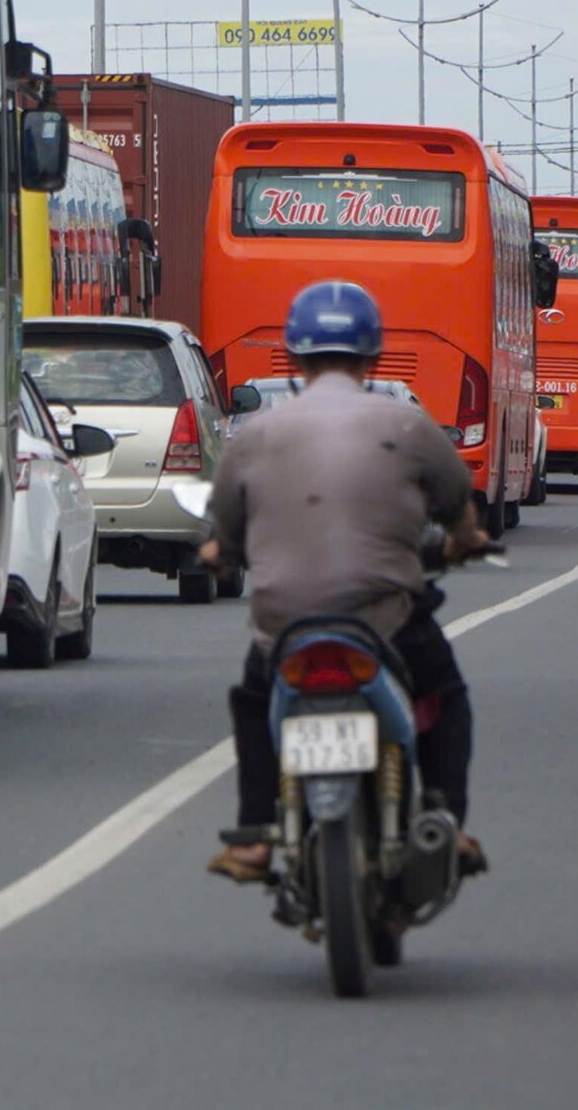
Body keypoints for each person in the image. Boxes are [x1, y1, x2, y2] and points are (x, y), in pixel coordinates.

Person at [199, 280, 491, 885]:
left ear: (294, 355)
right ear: (374, 355)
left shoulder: (253, 435)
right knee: (444, 693)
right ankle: (447, 819)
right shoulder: (406, 424)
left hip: (284, 625)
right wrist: (464, 540)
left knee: (254, 701)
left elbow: (222, 536)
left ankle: (255, 837)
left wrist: (219, 554)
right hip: (384, 618)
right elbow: (458, 501)